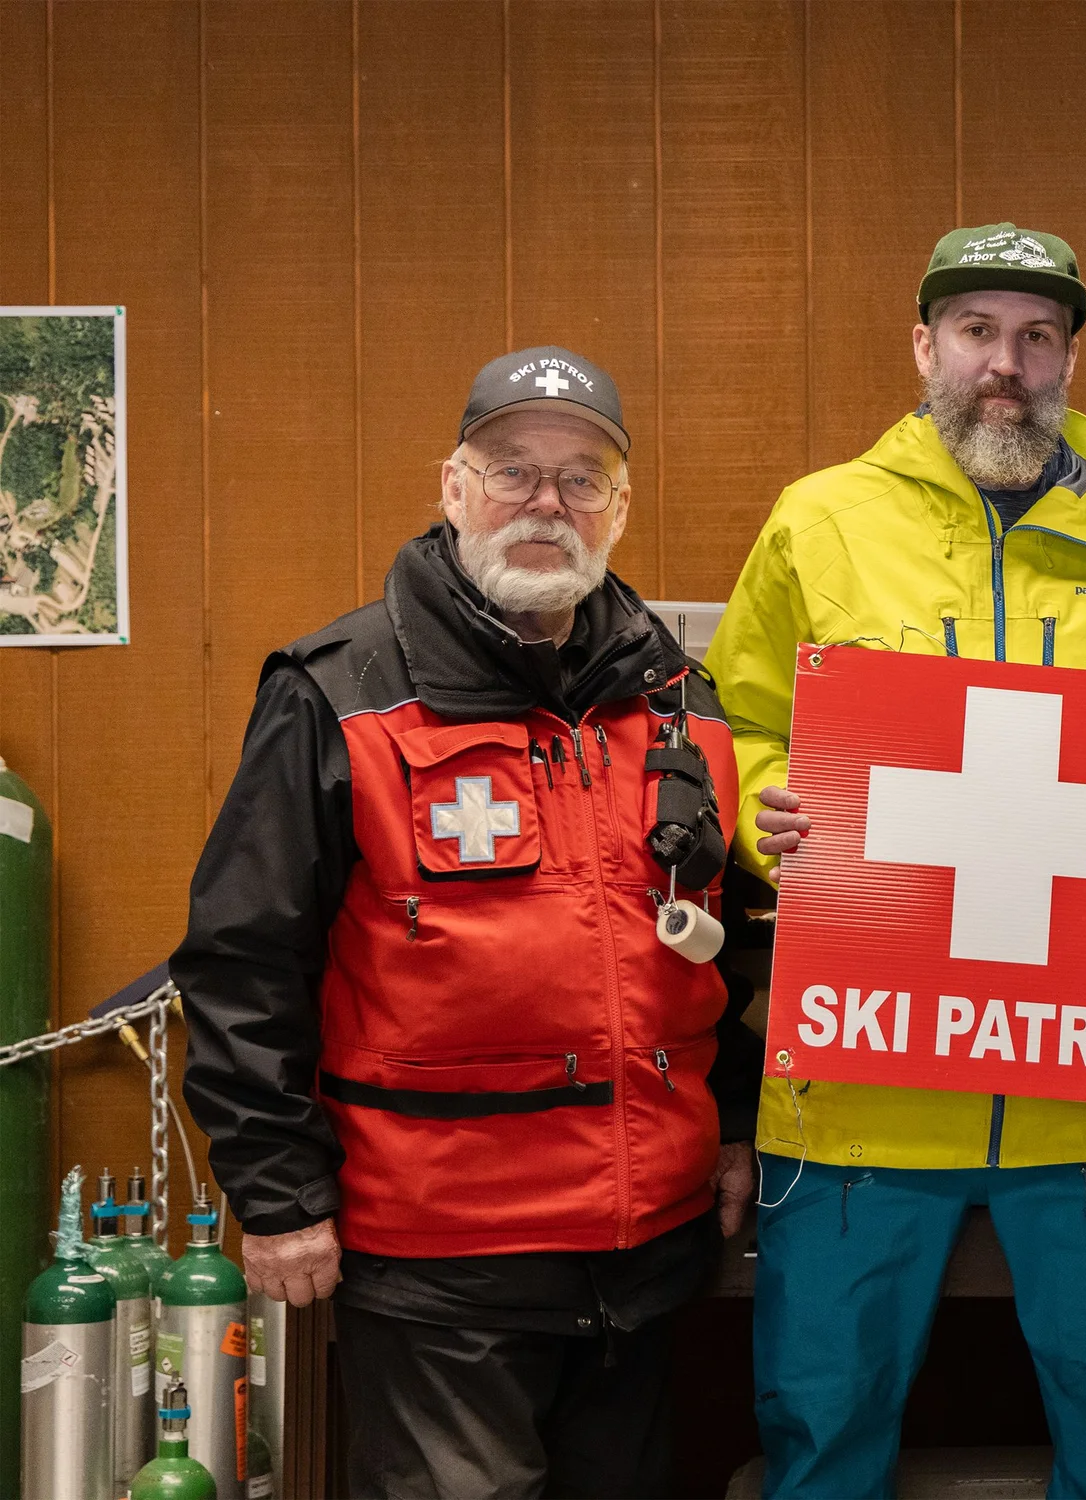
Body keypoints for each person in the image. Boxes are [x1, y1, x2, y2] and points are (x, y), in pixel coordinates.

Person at [704, 223, 1086, 1499]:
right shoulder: (820, 521)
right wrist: (768, 806)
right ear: (924, 347)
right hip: (860, 1092)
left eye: (1037, 335)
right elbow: (730, 728)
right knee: (823, 1445)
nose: (1004, 364)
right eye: (976, 331)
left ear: (1069, 356)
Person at [173, 346, 760, 1499]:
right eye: (512, 472)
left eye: (581, 478)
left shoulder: (683, 704)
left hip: (647, 1258)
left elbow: (723, 939)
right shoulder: (338, 696)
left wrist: (732, 1121)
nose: (547, 504)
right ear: (452, 489)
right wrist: (280, 1199)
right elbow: (244, 963)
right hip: (442, 1262)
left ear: (621, 507)